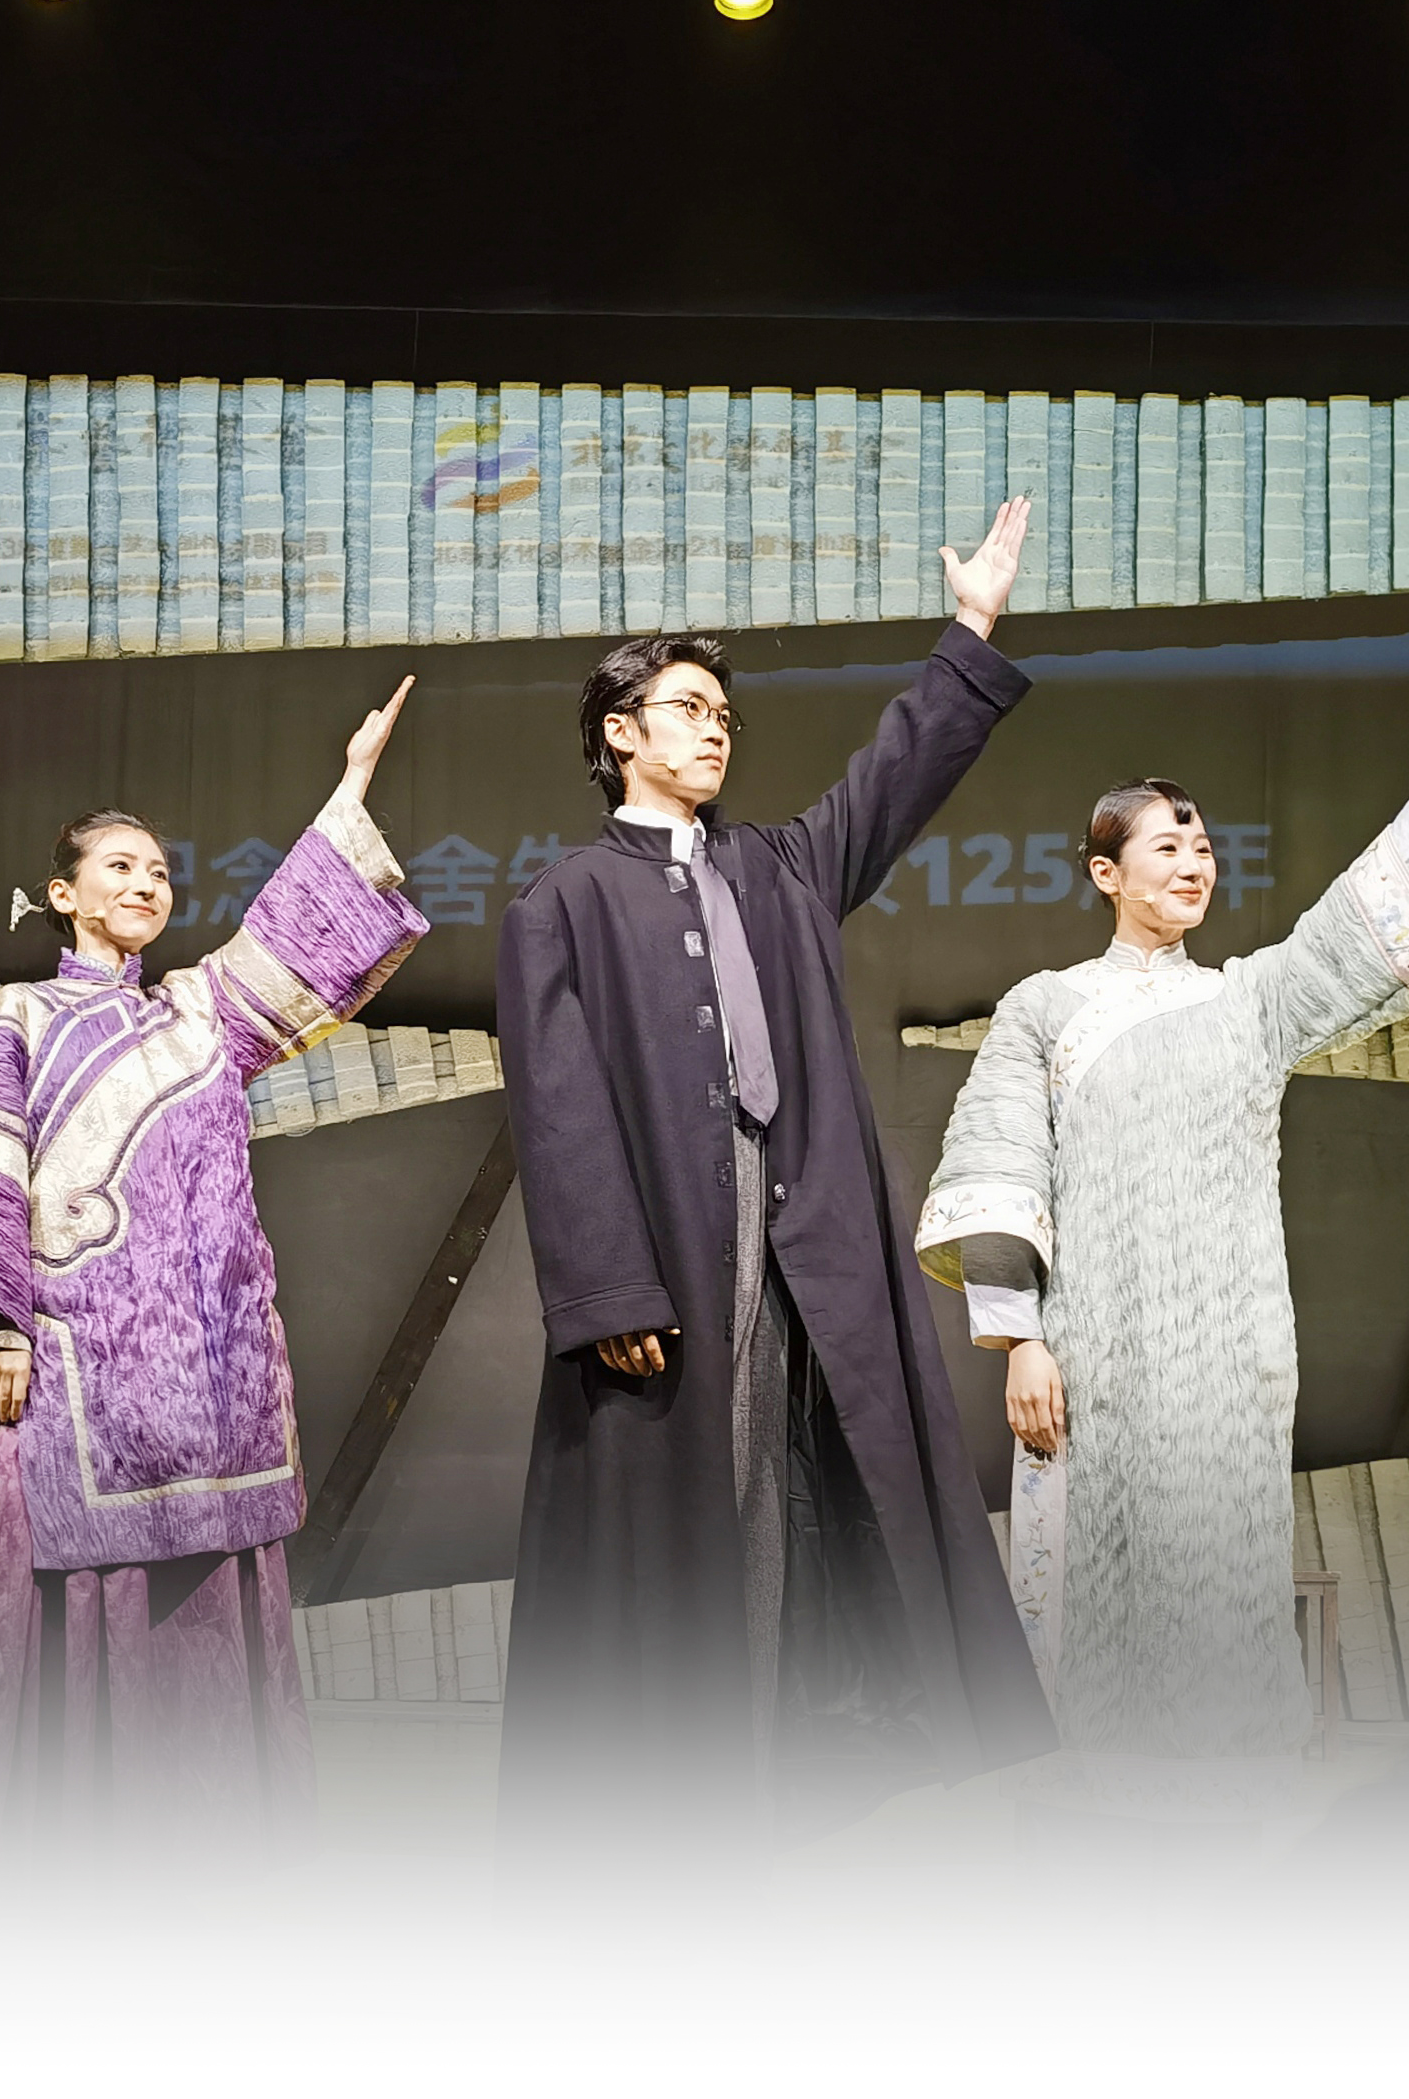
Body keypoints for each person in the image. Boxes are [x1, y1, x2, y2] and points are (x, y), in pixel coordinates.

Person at [495, 494, 1057, 1852]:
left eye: (723, 714)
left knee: (812, 1477)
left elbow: (895, 773)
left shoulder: (780, 868)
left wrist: (970, 628)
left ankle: (798, 1781)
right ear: (621, 732)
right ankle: (685, 1806)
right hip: (668, 1247)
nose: (714, 730)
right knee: (700, 1503)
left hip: (807, 1223)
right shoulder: (563, 900)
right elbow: (557, 1107)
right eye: (686, 709)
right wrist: (606, 1283)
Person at [918, 624, 1409, 1809]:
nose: (1192, 864)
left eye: (1202, 846)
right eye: (1165, 845)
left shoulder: (1249, 1001)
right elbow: (998, 1169)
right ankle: (1103, 1833)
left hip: (1229, 1364)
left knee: (1224, 1592)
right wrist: (1020, 1340)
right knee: (1104, 1595)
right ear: (1105, 873)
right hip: (1098, 1357)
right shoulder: (1046, 1008)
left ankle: (1235, 1828)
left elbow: (1365, 908)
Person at [0, 679, 426, 1854]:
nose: (144, 884)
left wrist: (352, 783)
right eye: (117, 868)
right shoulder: (19, 1014)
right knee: (54, 1600)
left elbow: (300, 934)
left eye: (159, 873)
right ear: (63, 895)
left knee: (211, 1599)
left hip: (210, 1387)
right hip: (77, 1377)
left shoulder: (198, 1013)